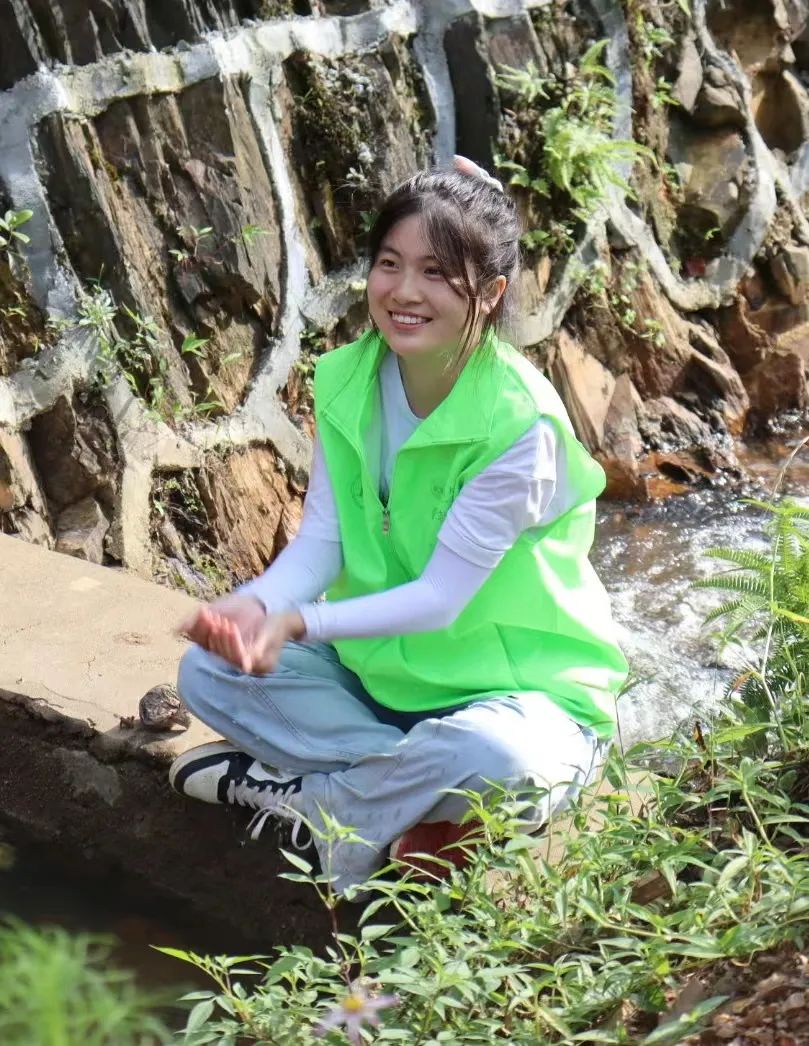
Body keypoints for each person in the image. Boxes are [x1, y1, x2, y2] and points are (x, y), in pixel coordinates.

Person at [169, 157, 628, 893]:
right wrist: (256, 607)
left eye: (436, 272)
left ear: (490, 293)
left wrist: (298, 622)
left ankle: (318, 803)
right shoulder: (347, 378)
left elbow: (440, 598)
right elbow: (323, 540)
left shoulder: (520, 426)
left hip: (520, 699)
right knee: (208, 672)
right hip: (374, 685)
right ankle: (406, 797)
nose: (405, 292)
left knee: (500, 761)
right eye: (390, 263)